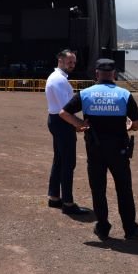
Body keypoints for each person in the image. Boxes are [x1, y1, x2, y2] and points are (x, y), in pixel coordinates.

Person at [60, 58, 138, 240]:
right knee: (124, 189)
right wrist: (129, 127)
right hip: (119, 150)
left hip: (95, 149)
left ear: (97, 74)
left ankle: (103, 227)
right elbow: (137, 123)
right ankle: (130, 229)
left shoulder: (86, 93)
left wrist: (80, 123)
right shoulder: (124, 94)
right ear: (114, 74)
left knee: (98, 189)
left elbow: (64, 113)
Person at [45, 49, 90, 215]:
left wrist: (76, 124)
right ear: (60, 60)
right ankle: (68, 203)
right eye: (70, 62)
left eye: (74, 62)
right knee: (67, 163)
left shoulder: (58, 78)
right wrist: (80, 124)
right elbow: (66, 111)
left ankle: (55, 197)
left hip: (58, 121)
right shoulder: (58, 80)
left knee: (59, 160)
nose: (72, 65)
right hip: (61, 122)